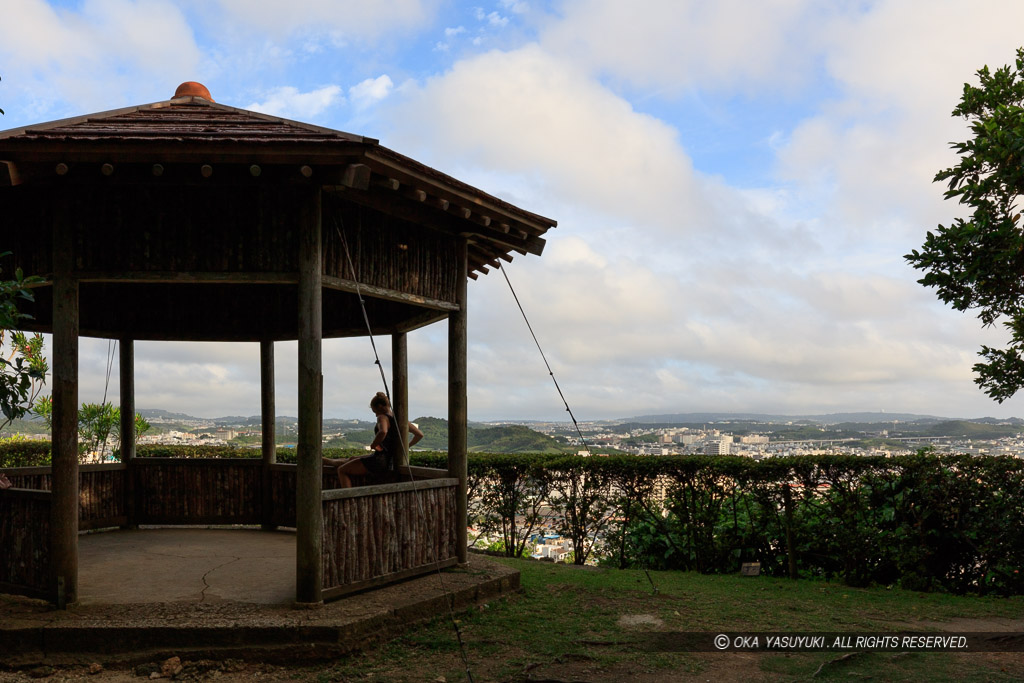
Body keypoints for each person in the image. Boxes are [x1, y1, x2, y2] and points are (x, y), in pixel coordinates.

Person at [323, 392, 424, 488]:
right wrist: (406, 447)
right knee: (352, 458)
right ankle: (327, 461)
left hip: (380, 460)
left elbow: (383, 431)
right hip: (391, 459)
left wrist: (374, 444)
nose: (375, 415)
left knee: (342, 470)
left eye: (375, 411)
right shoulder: (400, 420)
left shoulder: (382, 417)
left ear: (380, 407)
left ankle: (348, 498)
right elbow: (419, 434)